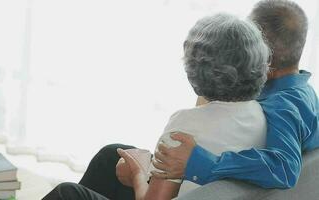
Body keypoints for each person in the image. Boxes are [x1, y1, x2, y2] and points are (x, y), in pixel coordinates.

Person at [43, 13, 271, 200]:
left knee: (67, 194)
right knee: (111, 154)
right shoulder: (260, 113)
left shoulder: (186, 126)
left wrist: (138, 175)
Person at [152, 0, 319, 190]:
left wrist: (201, 161)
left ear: (265, 55)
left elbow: (284, 168)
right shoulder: (306, 93)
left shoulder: (281, 106)